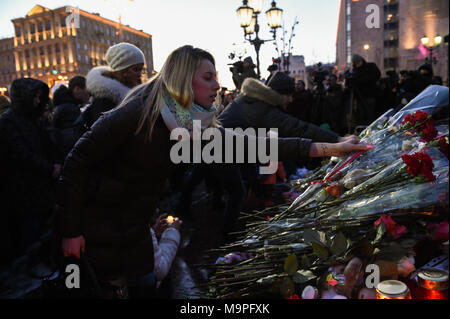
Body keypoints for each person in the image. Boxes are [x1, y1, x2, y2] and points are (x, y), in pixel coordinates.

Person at [57, 45, 370, 298]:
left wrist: (332, 148)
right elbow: (76, 163)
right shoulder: (137, 112)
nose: (217, 85)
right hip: (99, 228)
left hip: (135, 229)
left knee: (145, 286)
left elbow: (257, 144)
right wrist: (71, 231)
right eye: (208, 77)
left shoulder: (189, 126)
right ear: (182, 78)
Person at [0, 78, 61, 264]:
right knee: (30, 246)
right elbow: (20, 154)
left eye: (39, 97)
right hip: (23, 196)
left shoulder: (37, 120)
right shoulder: (8, 122)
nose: (38, 101)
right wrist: (50, 168)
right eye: (34, 97)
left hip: (44, 193)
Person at [83, 42, 145, 129]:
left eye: (141, 69)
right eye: (136, 69)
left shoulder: (137, 91)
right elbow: (104, 133)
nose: (140, 74)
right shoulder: (104, 100)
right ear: (123, 71)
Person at [52, 76, 90, 157]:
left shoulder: (65, 105)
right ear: (77, 89)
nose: (88, 93)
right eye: (86, 89)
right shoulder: (69, 109)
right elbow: (72, 139)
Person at [345, 54, 381, 133]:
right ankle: (362, 131)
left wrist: (360, 80)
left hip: (370, 95)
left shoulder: (371, 66)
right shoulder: (354, 71)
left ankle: (372, 130)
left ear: (361, 60)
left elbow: (376, 75)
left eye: (359, 62)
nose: (358, 65)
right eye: (356, 63)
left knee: (370, 115)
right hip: (359, 97)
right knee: (360, 116)